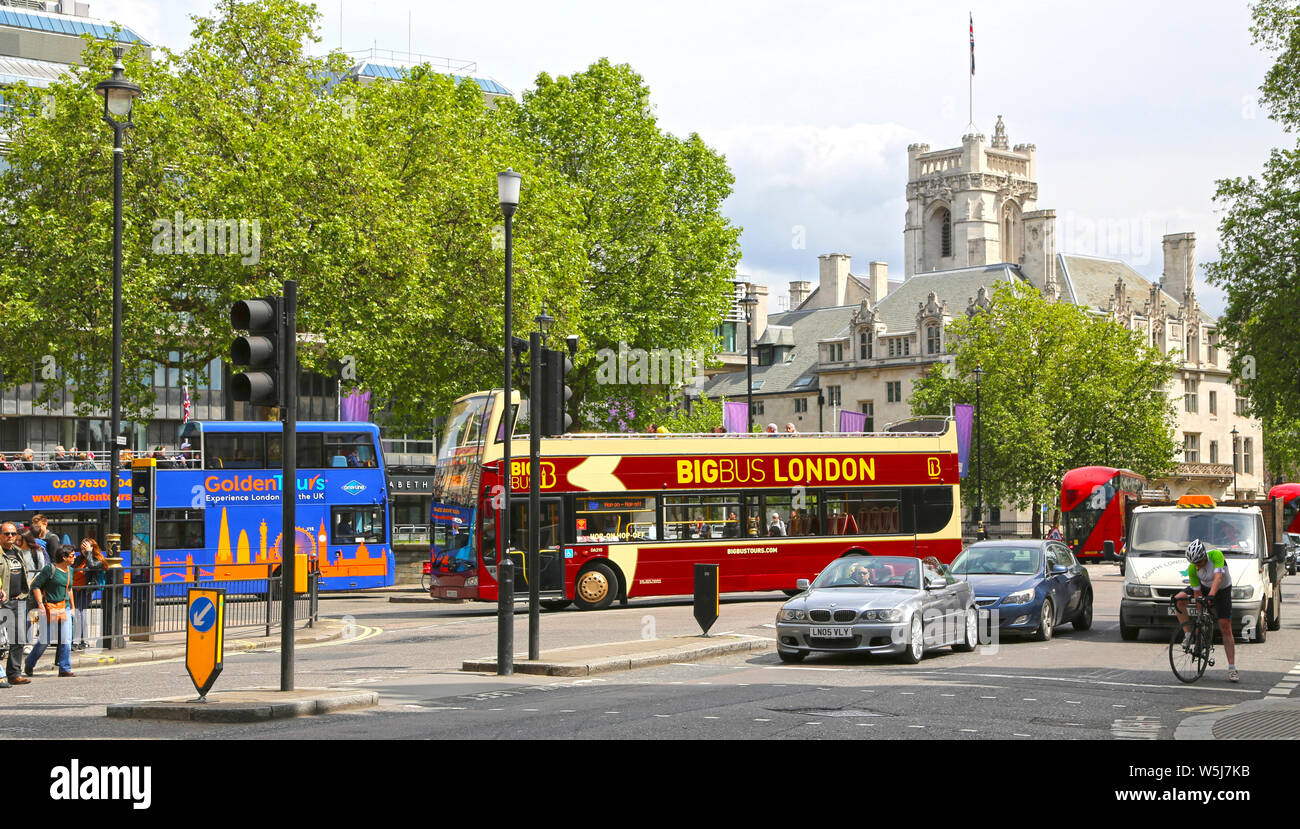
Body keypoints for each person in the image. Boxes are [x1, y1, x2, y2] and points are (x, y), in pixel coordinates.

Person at [1173, 539, 1237, 682]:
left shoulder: (1216, 556)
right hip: (1204, 587)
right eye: (1194, 564)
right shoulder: (1192, 568)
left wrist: (1211, 597)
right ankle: (1188, 635)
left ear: (1204, 556)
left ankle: (1232, 667)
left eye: (1199, 563)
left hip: (1222, 589)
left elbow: (1218, 578)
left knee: (1225, 626)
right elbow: (1196, 592)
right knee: (1178, 600)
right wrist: (1200, 610)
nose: (1197, 566)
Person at [25, 544, 76, 678]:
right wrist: (40, 605)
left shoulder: (70, 570)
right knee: (44, 640)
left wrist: (73, 607)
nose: (74, 558)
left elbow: (69, 589)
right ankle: (29, 662)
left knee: (66, 639)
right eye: (72, 556)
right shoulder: (50, 569)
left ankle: (64, 668)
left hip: (64, 608)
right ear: (64, 557)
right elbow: (36, 586)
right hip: (50, 608)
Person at [0, 522, 39, 686]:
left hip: (19, 599)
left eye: (13, 534)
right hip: (3, 601)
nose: (11, 536)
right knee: (1, 641)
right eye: (7, 533)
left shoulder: (17, 552)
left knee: (19, 639)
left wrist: (26, 591)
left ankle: (14, 673)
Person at [72, 538, 106, 651]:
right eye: (82, 548)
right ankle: (82, 641)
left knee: (80, 614)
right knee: (79, 614)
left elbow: (91, 566)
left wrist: (89, 553)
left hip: (85, 590)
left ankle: (79, 641)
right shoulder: (79, 559)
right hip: (74, 589)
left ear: (92, 548)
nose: (83, 551)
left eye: (85, 548)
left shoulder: (98, 559)